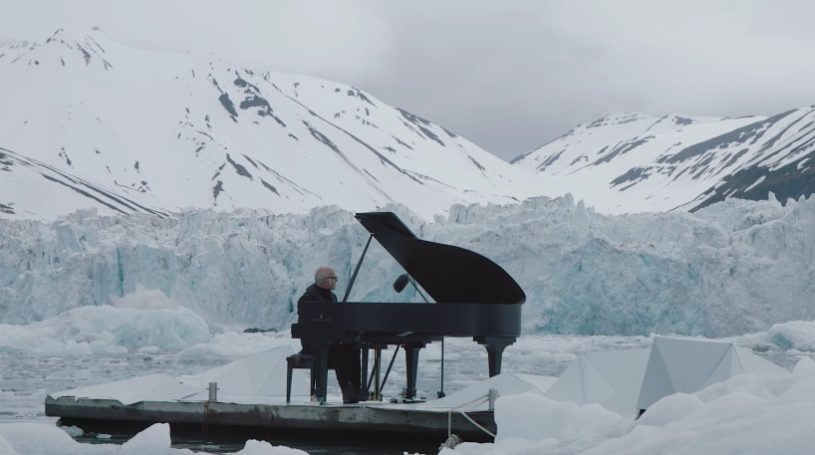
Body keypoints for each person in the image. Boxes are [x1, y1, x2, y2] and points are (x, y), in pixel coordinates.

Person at [297, 267, 363, 404]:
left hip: (330, 341)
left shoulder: (332, 297)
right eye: (334, 278)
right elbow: (306, 325)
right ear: (324, 280)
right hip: (313, 345)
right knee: (339, 352)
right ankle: (346, 390)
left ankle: (356, 390)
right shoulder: (307, 298)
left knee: (354, 349)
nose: (336, 281)